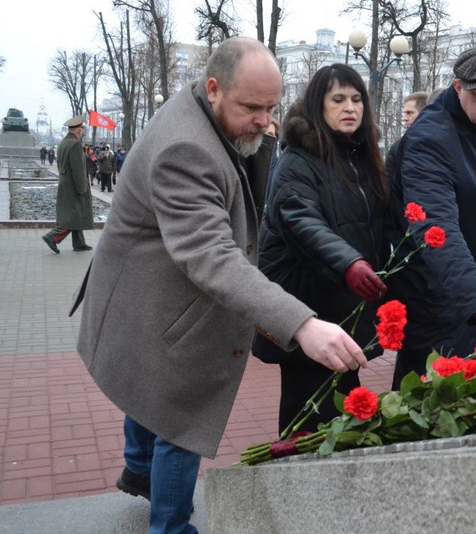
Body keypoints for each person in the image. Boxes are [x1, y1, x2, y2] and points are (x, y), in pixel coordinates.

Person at [73, 38, 367, 534]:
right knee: (185, 412)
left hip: (151, 288)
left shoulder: (206, 111)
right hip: (159, 296)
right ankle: (171, 525)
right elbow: (212, 255)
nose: (264, 121)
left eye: (271, 107)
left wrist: (261, 131)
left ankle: (139, 469)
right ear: (213, 89)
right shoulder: (185, 147)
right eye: (251, 108)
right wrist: (302, 324)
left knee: (152, 391)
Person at [253, 64, 388, 433]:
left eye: (357, 99)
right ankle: (293, 482)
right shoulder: (298, 160)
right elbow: (300, 220)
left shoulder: (361, 158)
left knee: (341, 406)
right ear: (318, 106)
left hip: (342, 303)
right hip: (306, 304)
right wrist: (351, 264)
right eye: (339, 99)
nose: (350, 108)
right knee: (308, 415)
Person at [385, 46, 476, 388]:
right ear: (458, 87)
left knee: (460, 390)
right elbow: (436, 229)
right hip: (431, 288)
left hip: (466, 279)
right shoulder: (429, 139)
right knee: (426, 397)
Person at [41, 116, 94, 254]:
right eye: (82, 129)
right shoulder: (75, 144)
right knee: (72, 215)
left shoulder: (64, 142)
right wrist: (82, 188)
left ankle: (79, 243)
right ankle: (52, 237)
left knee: (77, 213)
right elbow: (78, 169)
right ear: (78, 130)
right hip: (74, 185)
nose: (82, 131)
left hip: (65, 183)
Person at [386, 91, 429, 178]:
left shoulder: (443, 143)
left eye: (409, 113)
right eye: (404, 113)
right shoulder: (397, 148)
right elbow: (387, 184)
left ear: (424, 113)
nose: (404, 118)